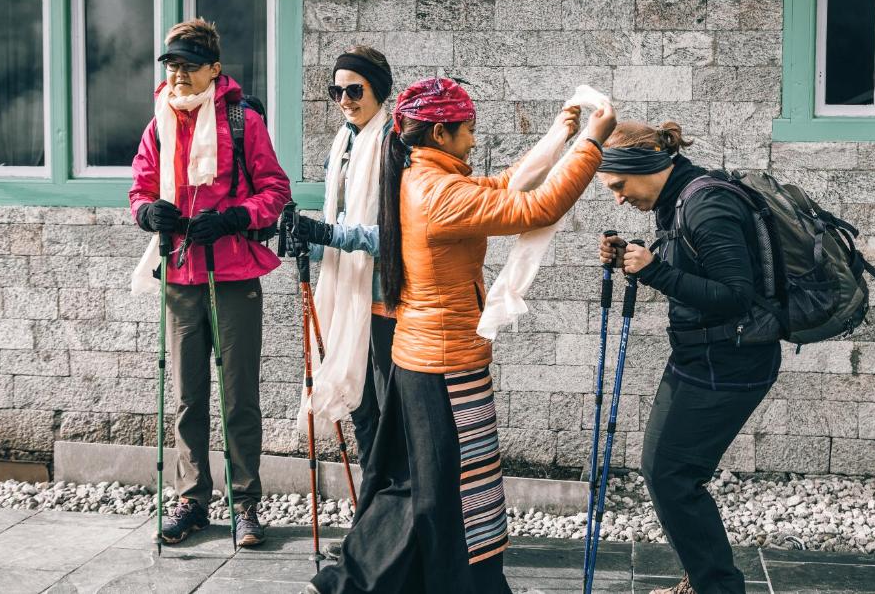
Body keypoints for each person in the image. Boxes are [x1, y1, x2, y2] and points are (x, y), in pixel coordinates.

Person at [306, 78, 616, 594]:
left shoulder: (421, 175)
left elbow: (505, 185)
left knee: (417, 482)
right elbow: (536, 208)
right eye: (468, 130)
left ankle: (368, 578)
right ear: (441, 131)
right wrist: (593, 142)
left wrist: (560, 136)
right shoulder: (439, 194)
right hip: (445, 366)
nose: (474, 140)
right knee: (460, 492)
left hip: (422, 355)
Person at [597, 121, 780, 594]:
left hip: (730, 363)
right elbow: (695, 269)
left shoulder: (707, 205)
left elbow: (736, 295)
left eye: (619, 186)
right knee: (670, 474)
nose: (618, 198)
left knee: (672, 475)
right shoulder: (678, 200)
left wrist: (654, 270)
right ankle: (706, 581)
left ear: (648, 167)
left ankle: (715, 587)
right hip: (702, 357)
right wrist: (634, 258)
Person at [129, 18, 291, 547]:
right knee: (187, 397)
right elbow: (140, 189)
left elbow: (275, 190)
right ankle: (192, 499)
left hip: (235, 271)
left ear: (214, 70)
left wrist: (233, 218)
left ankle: (245, 504)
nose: (177, 73)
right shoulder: (159, 122)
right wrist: (150, 213)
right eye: (172, 64)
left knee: (239, 396)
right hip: (179, 271)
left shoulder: (242, 120)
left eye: (188, 65)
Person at [285, 46, 396, 472]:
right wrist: (306, 241)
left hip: (384, 299)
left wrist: (327, 233)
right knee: (362, 408)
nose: (345, 100)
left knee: (388, 414)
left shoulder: (393, 147)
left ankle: (393, 514)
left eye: (355, 89)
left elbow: (394, 236)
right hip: (346, 293)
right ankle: (372, 515)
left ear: (378, 90)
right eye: (337, 91)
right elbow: (339, 227)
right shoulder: (343, 146)